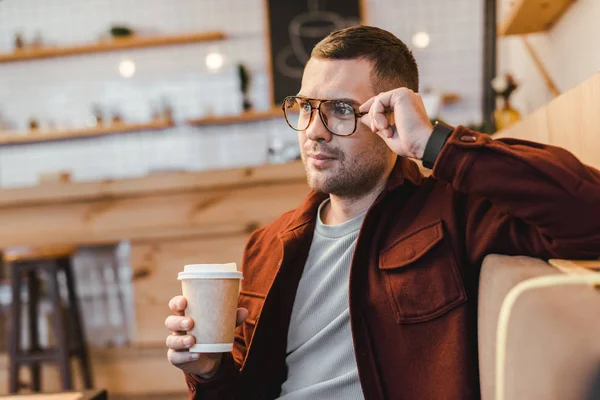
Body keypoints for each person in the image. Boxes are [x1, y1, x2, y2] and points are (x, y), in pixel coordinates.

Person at [164, 26, 600, 399]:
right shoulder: (267, 245)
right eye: (305, 107)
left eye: (340, 110)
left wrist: (433, 144)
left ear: (389, 114)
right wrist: (209, 371)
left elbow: (589, 215)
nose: (314, 132)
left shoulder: (451, 211)